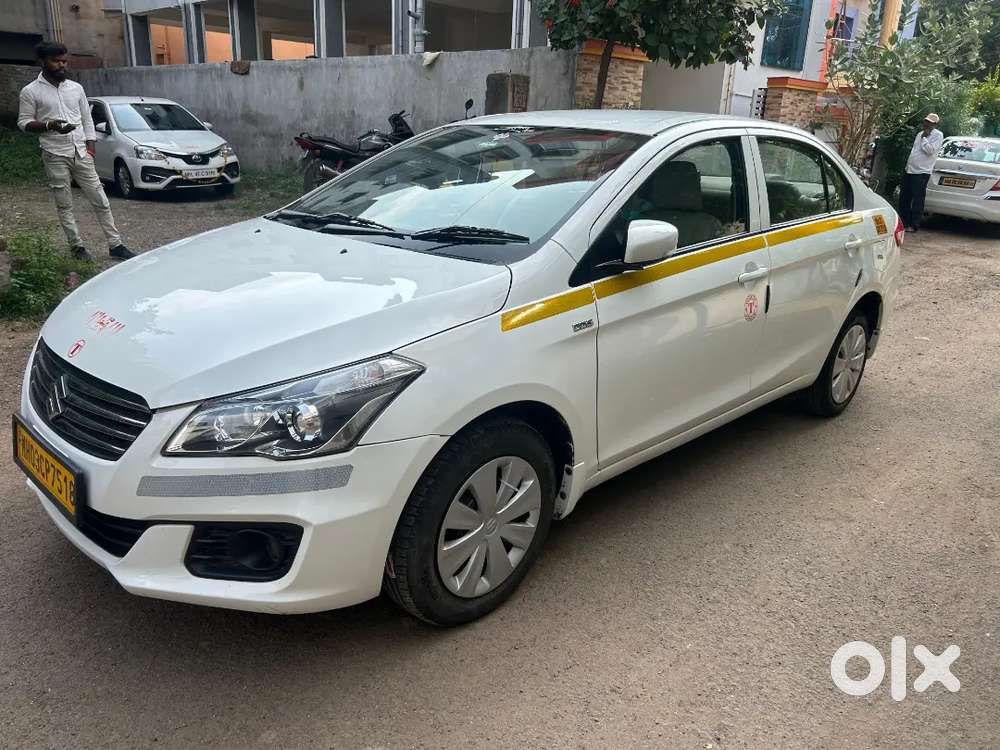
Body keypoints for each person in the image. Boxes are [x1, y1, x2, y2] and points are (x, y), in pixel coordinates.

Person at [17, 41, 135, 261]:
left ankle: (115, 245)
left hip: (81, 152)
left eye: (64, 61)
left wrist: (90, 147)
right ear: (42, 62)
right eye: (56, 61)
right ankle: (77, 247)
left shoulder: (75, 88)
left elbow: (86, 119)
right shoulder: (30, 91)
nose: (62, 65)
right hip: (54, 153)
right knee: (64, 203)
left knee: (100, 198)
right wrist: (49, 125)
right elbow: (23, 123)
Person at [898, 112, 944, 232]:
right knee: (904, 198)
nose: (926, 124)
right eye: (926, 121)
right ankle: (904, 222)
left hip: (922, 172)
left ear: (935, 124)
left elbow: (930, 151)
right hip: (910, 170)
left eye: (930, 123)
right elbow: (915, 151)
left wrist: (925, 138)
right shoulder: (919, 134)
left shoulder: (938, 135)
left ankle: (914, 225)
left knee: (918, 199)